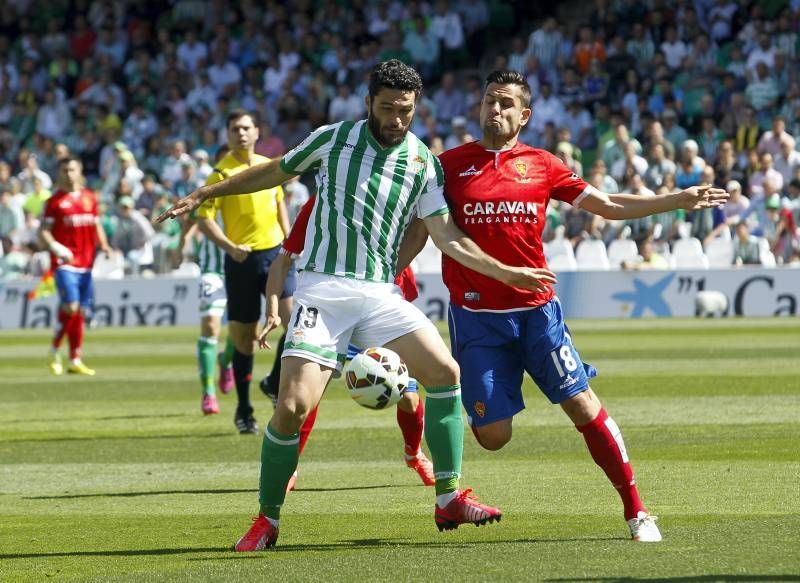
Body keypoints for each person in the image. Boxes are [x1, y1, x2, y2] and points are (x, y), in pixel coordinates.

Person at [157, 60, 554, 551]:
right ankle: (268, 518)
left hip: (380, 293)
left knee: (445, 373)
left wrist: (506, 271)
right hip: (323, 290)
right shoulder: (333, 139)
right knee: (292, 406)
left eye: (405, 110)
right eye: (387, 108)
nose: (396, 119)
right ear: (368, 103)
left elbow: (446, 236)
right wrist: (204, 193)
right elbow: (271, 173)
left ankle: (448, 497)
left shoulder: (423, 161)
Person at [429, 70, 728, 543]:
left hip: (537, 313)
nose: (495, 109)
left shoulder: (543, 165)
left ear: (524, 115)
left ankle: (638, 512)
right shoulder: (447, 166)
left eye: (506, 103)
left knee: (583, 405)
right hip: (477, 319)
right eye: (489, 100)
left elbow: (607, 204)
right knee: (494, 437)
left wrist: (675, 199)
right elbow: (425, 227)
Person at [258, 195, 435, 490]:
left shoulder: (392, 194)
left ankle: (414, 454)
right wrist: (273, 310)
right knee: (308, 394)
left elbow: (419, 231)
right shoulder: (320, 203)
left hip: (382, 306)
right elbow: (283, 260)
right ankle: (291, 465)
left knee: (408, 395)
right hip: (332, 309)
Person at [194, 109, 292, 434]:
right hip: (242, 260)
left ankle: (274, 382)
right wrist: (228, 246)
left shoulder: (269, 167)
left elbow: (279, 204)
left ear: (257, 131)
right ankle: (244, 407)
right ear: (227, 135)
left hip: (275, 254)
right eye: (235, 129)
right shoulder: (221, 174)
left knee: (295, 325)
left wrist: (291, 243)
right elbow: (203, 217)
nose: (241, 134)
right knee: (245, 341)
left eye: (246, 128)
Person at [40, 157, 112, 376]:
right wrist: (56, 247)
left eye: (72, 169)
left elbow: (96, 225)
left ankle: (74, 358)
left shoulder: (90, 198)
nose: (68, 174)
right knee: (71, 307)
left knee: (79, 311)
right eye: (64, 170)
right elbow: (42, 232)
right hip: (65, 264)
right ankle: (54, 350)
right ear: (59, 173)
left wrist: (105, 245)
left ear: (79, 171)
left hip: (87, 263)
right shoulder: (54, 202)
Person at [178, 147, 236, 416]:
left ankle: (226, 361)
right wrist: (183, 243)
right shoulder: (210, 190)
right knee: (210, 327)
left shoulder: (254, 190)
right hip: (213, 269)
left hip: (240, 268)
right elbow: (193, 219)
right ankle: (208, 392)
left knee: (240, 334)